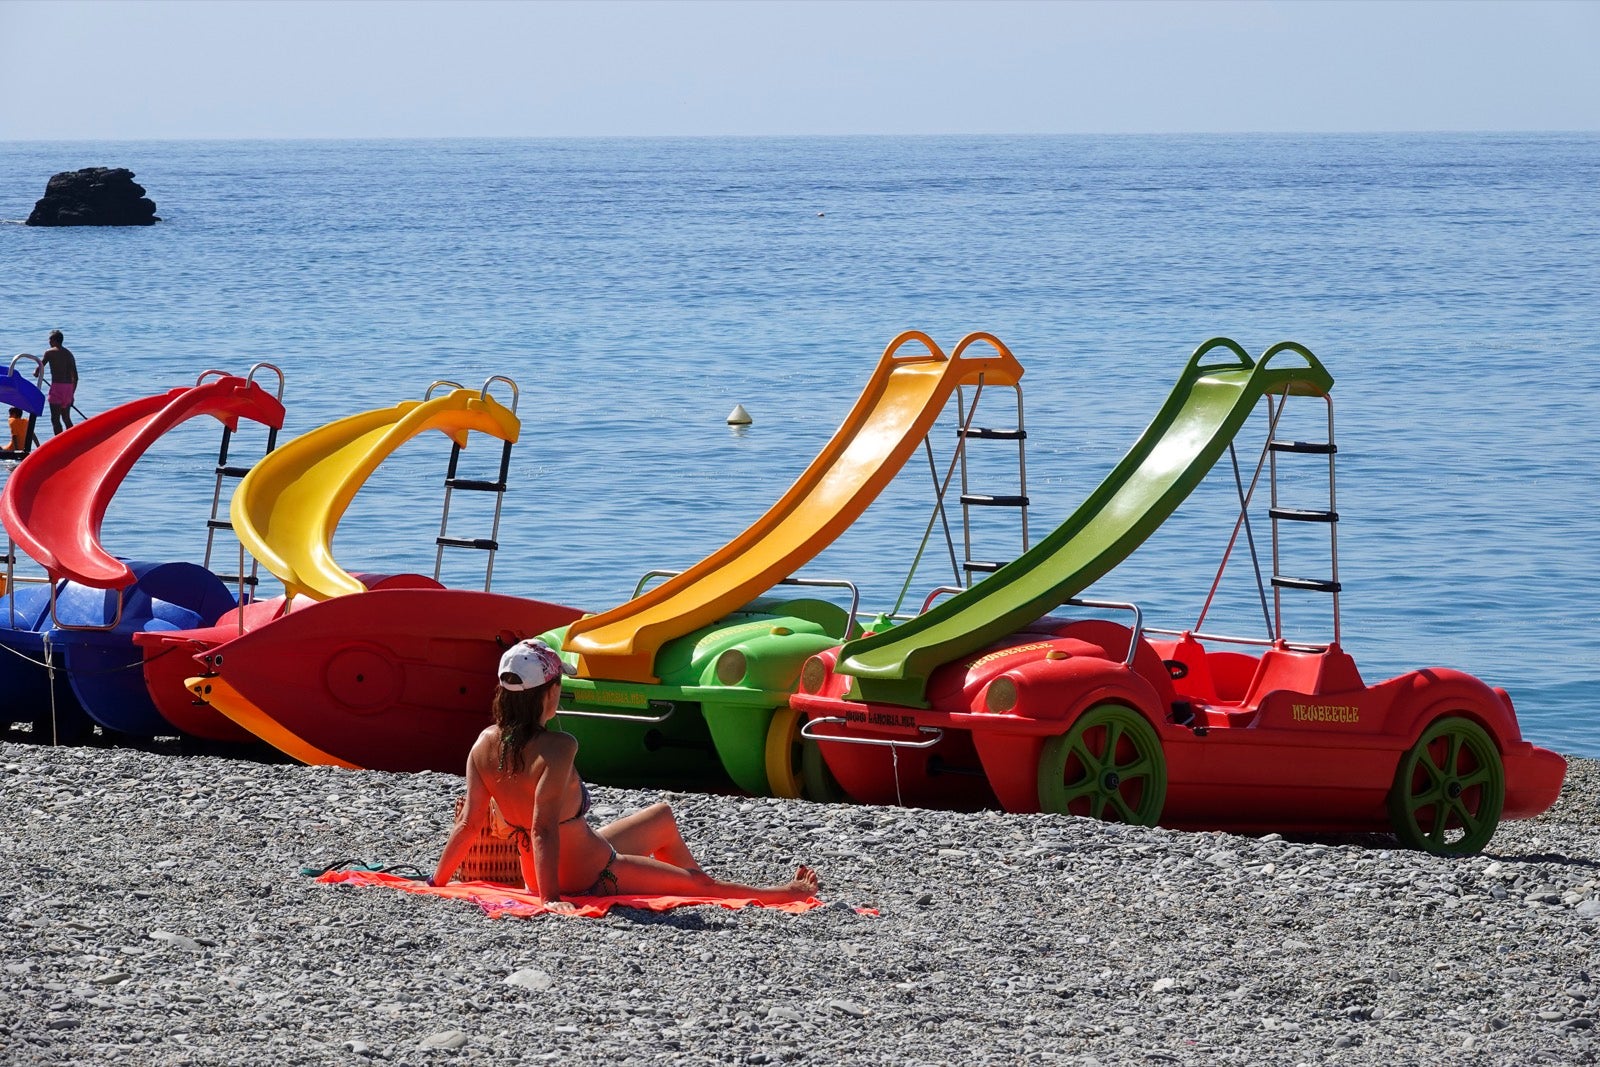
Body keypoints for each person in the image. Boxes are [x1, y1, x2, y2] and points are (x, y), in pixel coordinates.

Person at [432, 639, 819, 913]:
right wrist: (550, 900)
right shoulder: (558, 746)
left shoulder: (484, 743)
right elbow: (542, 827)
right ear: (547, 693)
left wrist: (437, 883)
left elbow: (468, 823)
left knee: (662, 816)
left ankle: (690, 880)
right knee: (699, 887)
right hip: (589, 874)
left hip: (547, 867)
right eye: (558, 687)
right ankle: (779, 894)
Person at [39, 329, 78, 434]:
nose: (49, 342)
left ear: (54, 340)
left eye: (50, 340)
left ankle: (59, 443)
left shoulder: (49, 352)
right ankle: (72, 440)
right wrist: (72, 394)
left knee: (55, 419)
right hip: (68, 388)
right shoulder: (69, 354)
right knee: (66, 418)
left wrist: (36, 372)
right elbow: (76, 377)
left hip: (57, 387)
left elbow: (40, 368)